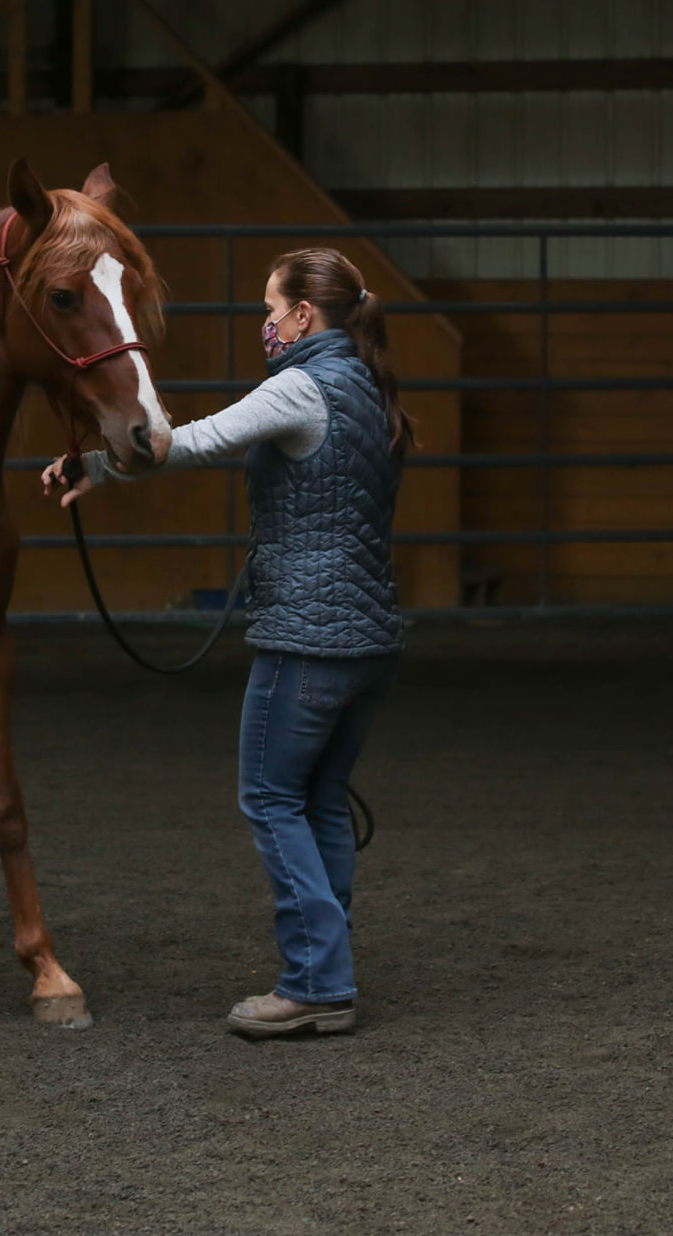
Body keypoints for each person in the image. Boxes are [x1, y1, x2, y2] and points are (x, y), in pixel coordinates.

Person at [42, 247, 411, 1038]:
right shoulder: (368, 385)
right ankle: (329, 970)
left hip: (306, 639)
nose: (265, 324)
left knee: (271, 797)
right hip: (369, 639)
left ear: (303, 315)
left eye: (271, 310)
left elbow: (187, 441)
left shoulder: (301, 386)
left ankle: (316, 981)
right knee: (318, 801)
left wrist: (98, 465)